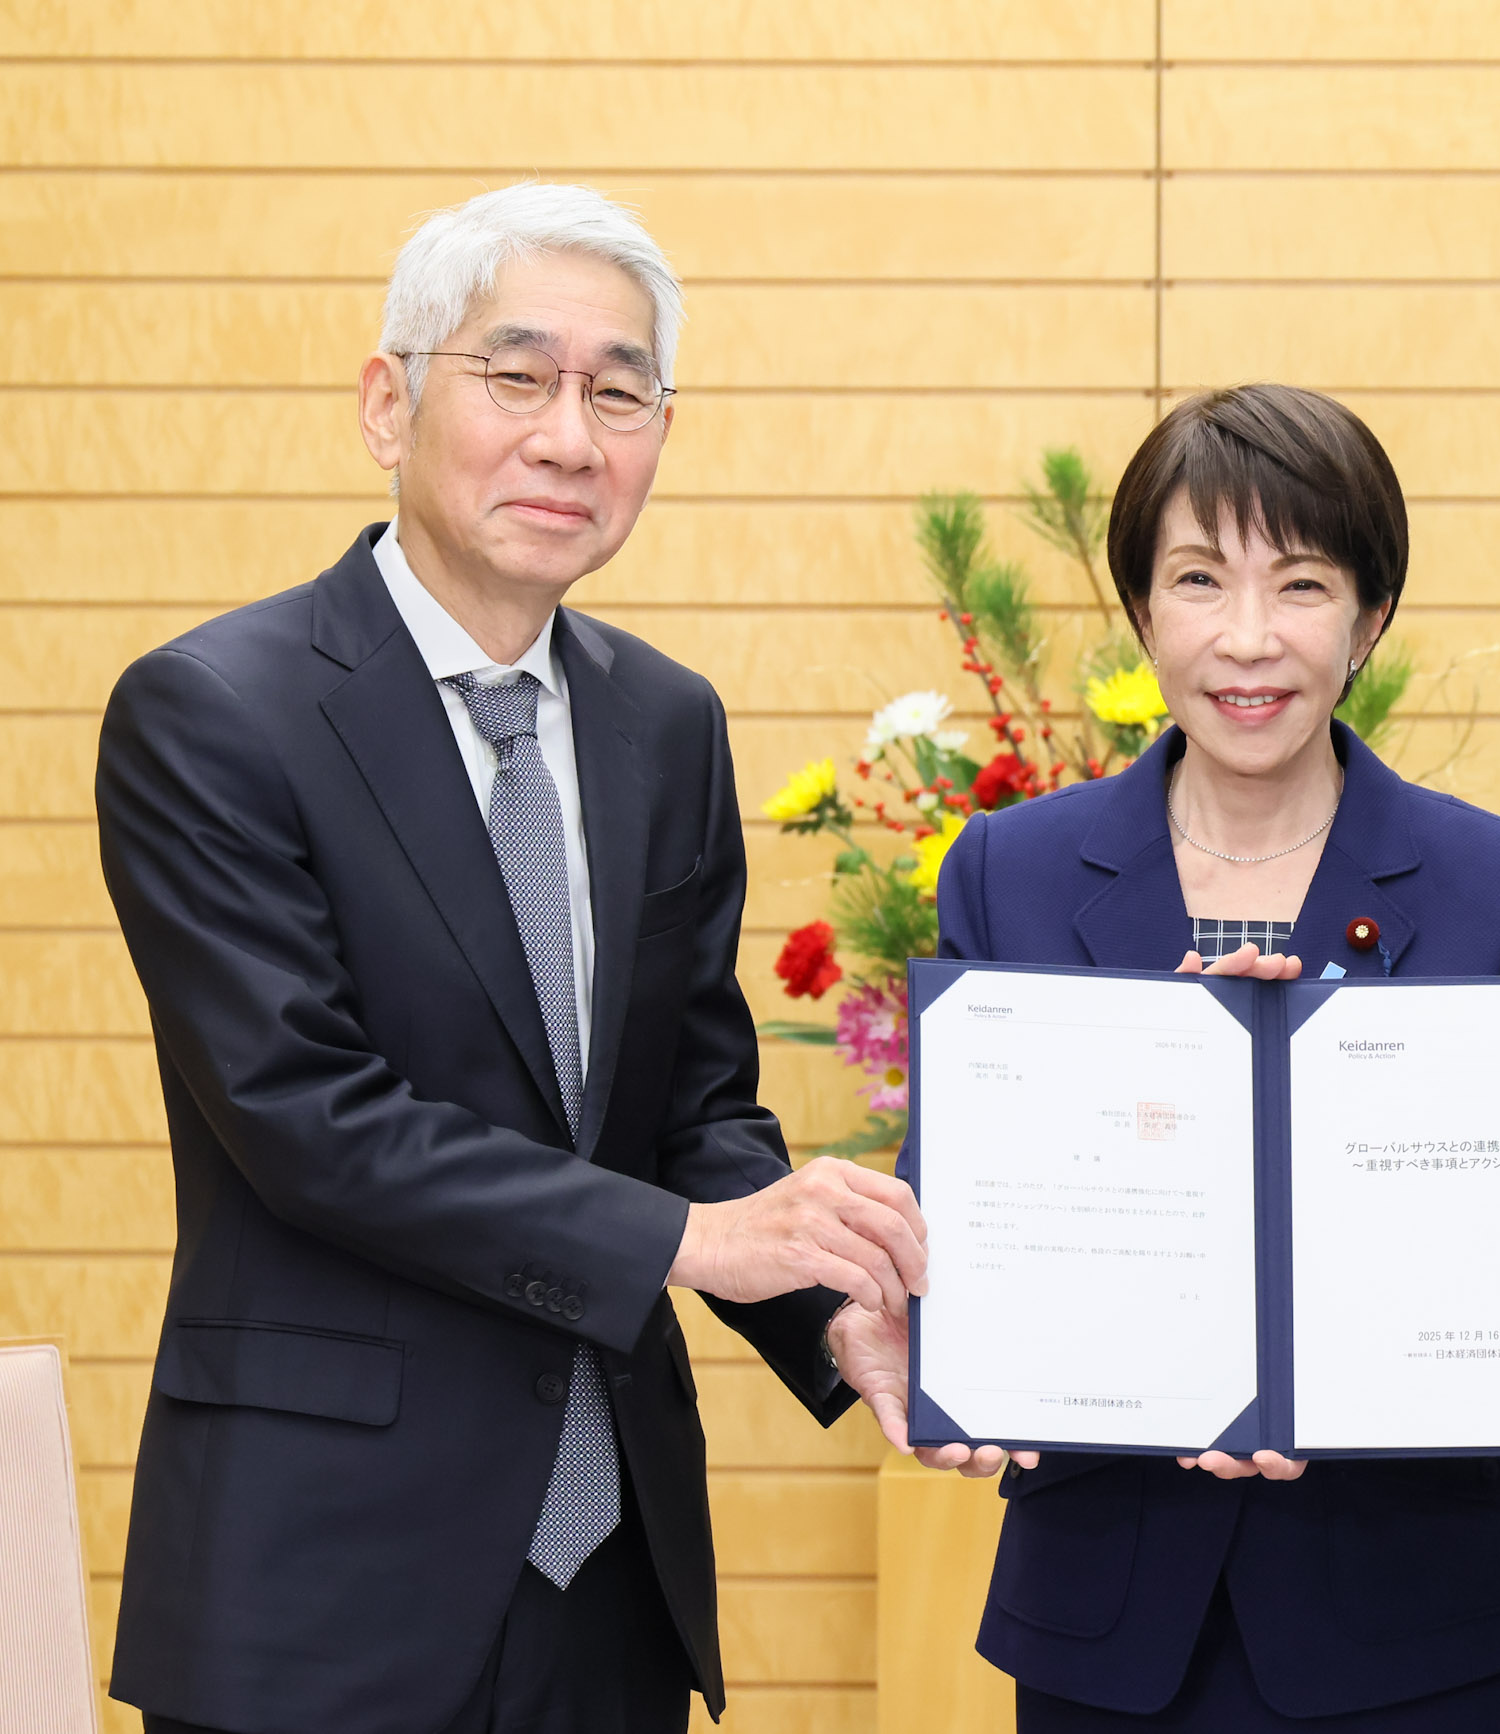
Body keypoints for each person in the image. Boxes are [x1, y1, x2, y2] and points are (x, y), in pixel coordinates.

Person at [96, 183, 927, 1734]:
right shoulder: (215, 712)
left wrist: (827, 1302)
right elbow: (309, 1120)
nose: (570, 436)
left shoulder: (664, 722)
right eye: (518, 374)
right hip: (322, 1587)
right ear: (386, 400)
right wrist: (690, 1244)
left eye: (621, 391)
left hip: (607, 1585)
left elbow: (698, 1109)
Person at [838, 385, 1500, 1730]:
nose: (1248, 638)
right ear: (1140, 611)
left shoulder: (1498, 879)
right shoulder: (1012, 868)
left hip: (1425, 1616)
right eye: (1197, 579)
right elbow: (965, 1197)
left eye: (1301, 584)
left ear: (1371, 618)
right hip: (1116, 1624)